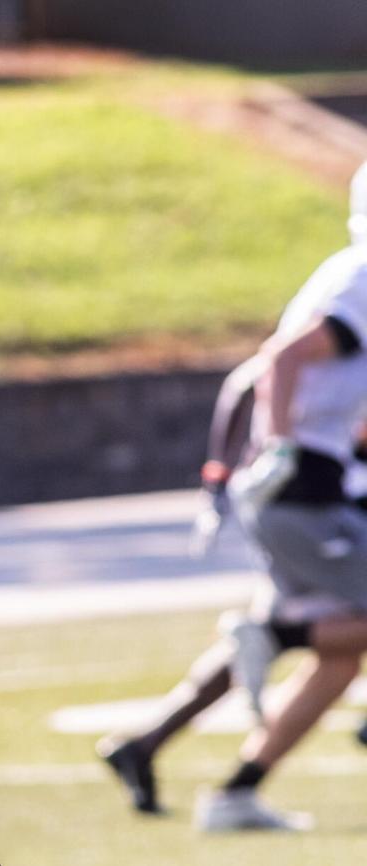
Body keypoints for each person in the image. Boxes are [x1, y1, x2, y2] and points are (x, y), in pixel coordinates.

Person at [97, 160, 367, 831]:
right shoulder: (361, 279)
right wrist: (280, 449)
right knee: (300, 633)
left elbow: (260, 376)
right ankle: (275, 635)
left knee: (338, 658)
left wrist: (228, 469)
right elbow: (280, 360)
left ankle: (224, 786)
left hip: (296, 487)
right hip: (301, 490)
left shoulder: (344, 272)